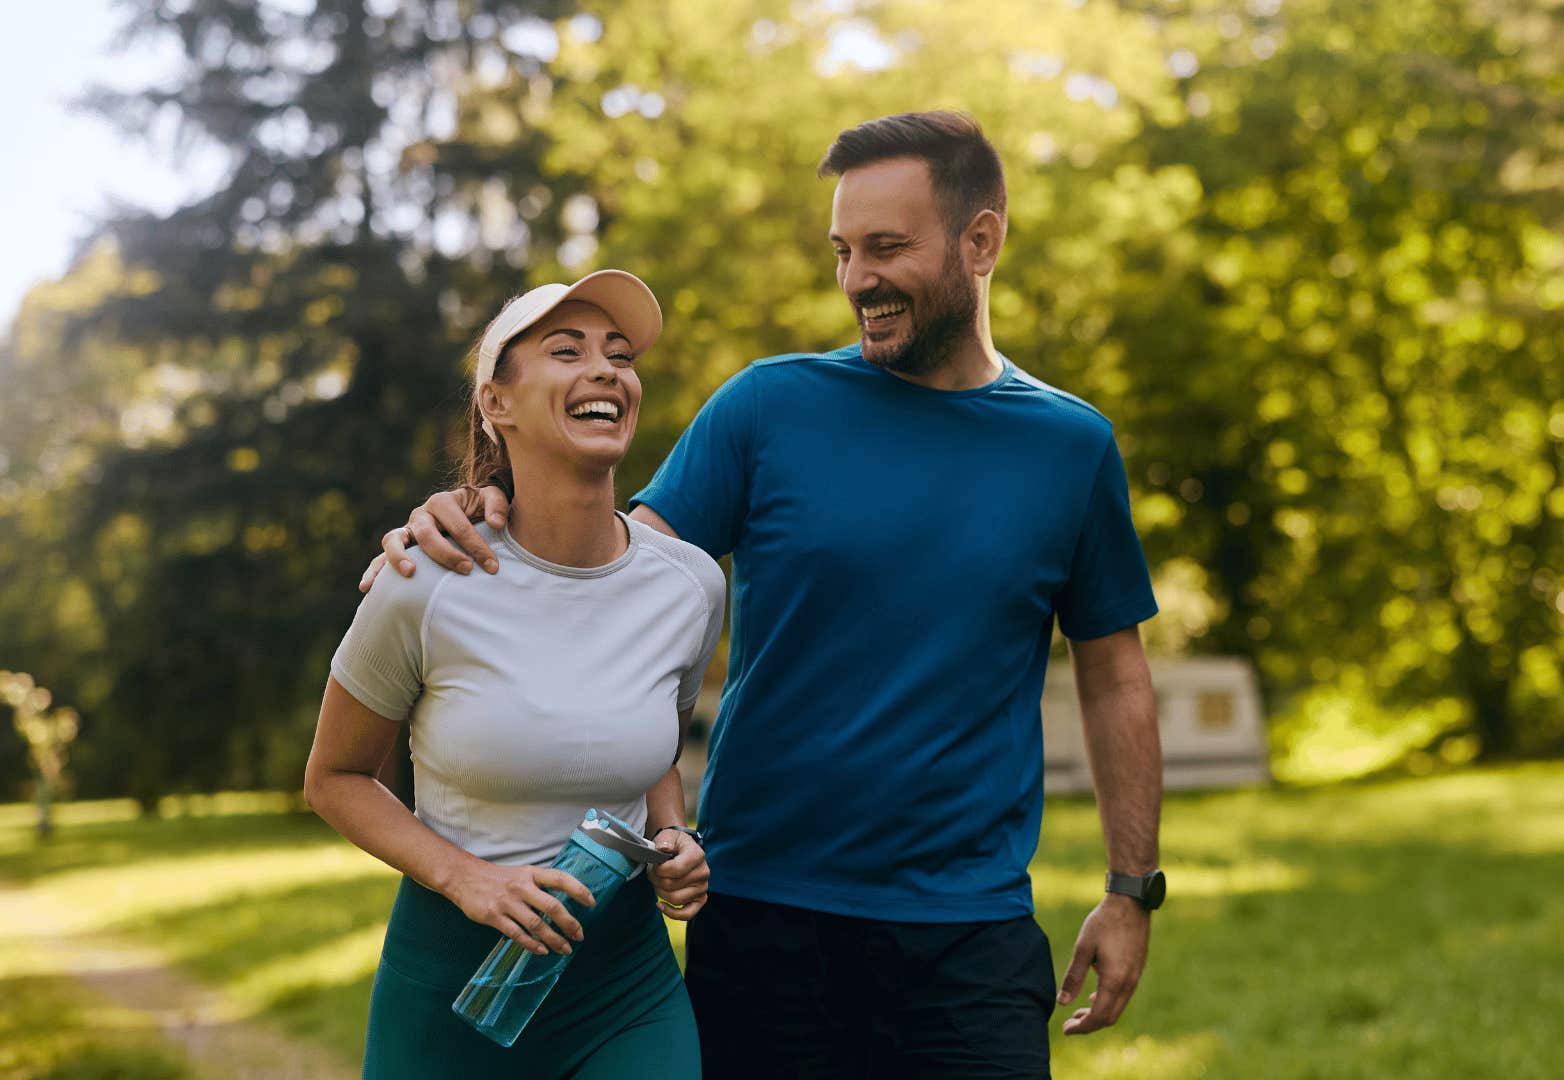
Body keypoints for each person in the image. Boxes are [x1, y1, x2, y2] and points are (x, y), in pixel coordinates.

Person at [366, 112, 1165, 1078]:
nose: (856, 279)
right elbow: (604, 570)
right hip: (764, 920)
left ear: (981, 241)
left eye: (887, 247)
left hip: (969, 934)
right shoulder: (768, 408)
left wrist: (1130, 890)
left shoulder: (1070, 449)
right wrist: (475, 506)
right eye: (841, 251)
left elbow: (1116, 677)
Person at [308, 270, 725, 1078]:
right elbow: (335, 778)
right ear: (496, 403)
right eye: (565, 351)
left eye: (620, 354)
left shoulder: (691, 585)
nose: (606, 369)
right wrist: (468, 880)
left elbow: (652, 752)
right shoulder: (424, 583)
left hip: (624, 987)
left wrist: (674, 834)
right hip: (452, 984)